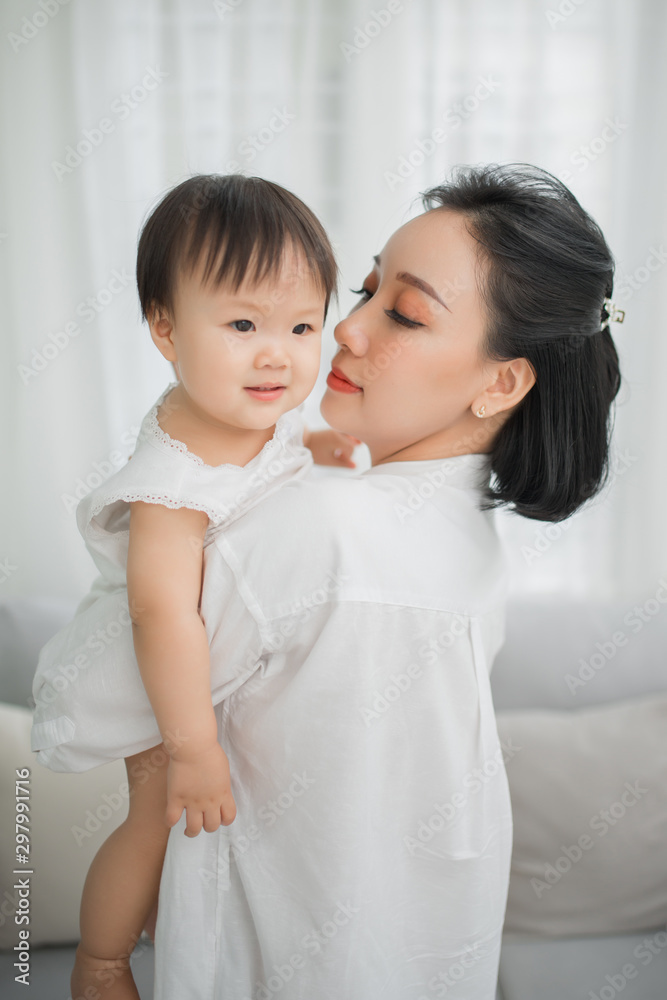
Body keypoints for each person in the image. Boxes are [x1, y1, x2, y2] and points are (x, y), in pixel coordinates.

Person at [151, 164, 623, 1000]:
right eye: (366, 290)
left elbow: (115, 698)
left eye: (402, 313)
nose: (346, 329)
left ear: (502, 382)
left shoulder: (329, 531)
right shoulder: (452, 531)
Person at [29, 173, 360, 1000]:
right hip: (150, 670)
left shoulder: (251, 408)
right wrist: (192, 748)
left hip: (194, 659)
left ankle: (149, 915)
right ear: (166, 330)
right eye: (243, 323)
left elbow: (284, 440)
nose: (276, 352)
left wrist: (315, 449)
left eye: (301, 325)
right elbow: (159, 610)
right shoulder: (170, 481)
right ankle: (100, 964)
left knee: (187, 833)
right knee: (152, 818)